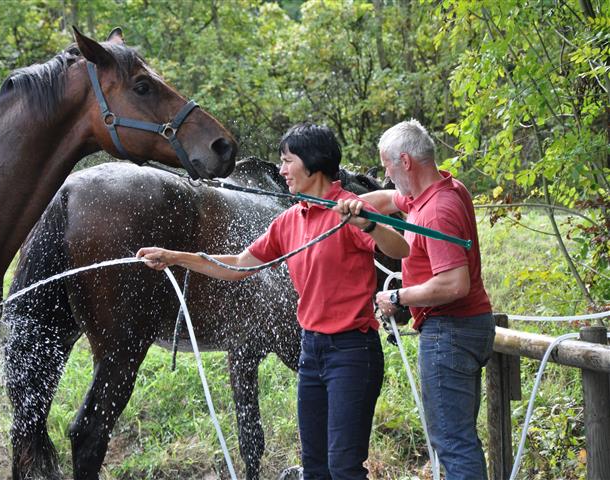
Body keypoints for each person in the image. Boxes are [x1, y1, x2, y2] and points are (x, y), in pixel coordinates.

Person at [137, 123, 409, 479]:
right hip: (312, 353)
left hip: (353, 354)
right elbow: (237, 266)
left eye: (287, 161)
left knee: (344, 467)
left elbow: (401, 250)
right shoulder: (288, 222)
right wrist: (176, 257)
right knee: (315, 468)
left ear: (313, 165)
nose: (281, 170)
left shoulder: (351, 211)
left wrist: (368, 224)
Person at [347, 119, 494, 480]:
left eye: (387, 166)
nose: (386, 174)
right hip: (466, 327)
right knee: (457, 437)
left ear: (406, 162)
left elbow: (454, 283)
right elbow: (385, 199)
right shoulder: (442, 189)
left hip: (451, 331)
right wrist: (342, 208)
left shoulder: (438, 211)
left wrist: (398, 295)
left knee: (452, 441)